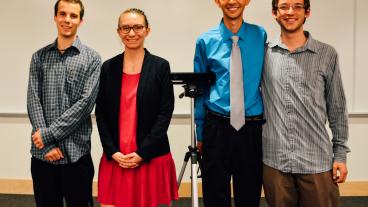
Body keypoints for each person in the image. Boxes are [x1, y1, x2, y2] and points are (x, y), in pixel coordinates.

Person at [261, 0, 350, 206]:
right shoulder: (264, 53)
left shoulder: (327, 54)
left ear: (307, 12)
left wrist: (341, 155)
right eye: (284, 6)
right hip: (275, 161)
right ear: (275, 13)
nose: (290, 12)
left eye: (297, 6)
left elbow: (337, 108)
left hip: (316, 161)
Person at [95, 8, 178, 207]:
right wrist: (112, 151)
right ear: (118, 32)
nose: (131, 33)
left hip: (149, 156)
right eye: (125, 28)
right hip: (117, 157)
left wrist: (142, 153)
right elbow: (101, 113)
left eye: (137, 27)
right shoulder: (108, 68)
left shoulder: (160, 66)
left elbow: (165, 113)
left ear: (147, 30)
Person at [26, 0, 101, 206]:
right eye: (63, 14)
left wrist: (48, 135)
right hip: (43, 155)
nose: (67, 20)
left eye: (73, 15)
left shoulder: (92, 59)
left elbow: (85, 104)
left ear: (81, 20)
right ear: (55, 17)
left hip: (77, 154)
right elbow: (33, 100)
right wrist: (47, 144)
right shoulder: (39, 57)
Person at [194, 0, 267, 206]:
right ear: (217, 1)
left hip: (251, 127)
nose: (232, 1)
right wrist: (200, 133)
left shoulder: (260, 35)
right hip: (216, 127)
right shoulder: (205, 41)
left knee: (250, 193)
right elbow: (200, 91)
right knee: (215, 195)